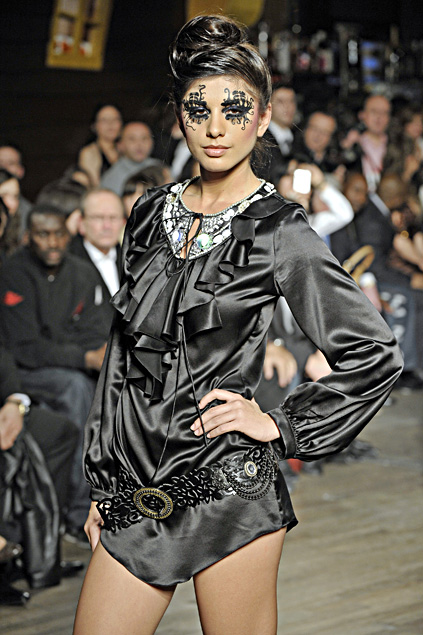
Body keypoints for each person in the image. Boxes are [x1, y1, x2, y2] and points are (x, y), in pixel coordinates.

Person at [74, 16, 403, 634]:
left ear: (263, 115)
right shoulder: (146, 213)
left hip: (229, 485)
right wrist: (102, 481)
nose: (216, 127)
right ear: (179, 116)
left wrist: (280, 424)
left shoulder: (281, 231)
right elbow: (123, 356)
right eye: (198, 109)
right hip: (136, 489)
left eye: (235, 108)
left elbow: (374, 351)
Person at [0, 204, 111, 543]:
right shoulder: (13, 272)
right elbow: (23, 346)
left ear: (69, 233)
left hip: (69, 365)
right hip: (22, 373)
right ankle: (77, 514)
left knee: (112, 383)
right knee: (76, 388)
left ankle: (116, 500)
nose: (52, 242)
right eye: (43, 234)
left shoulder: (82, 272)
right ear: (28, 237)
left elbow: (96, 329)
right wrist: (82, 355)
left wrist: (89, 354)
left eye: (59, 234)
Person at [69, 188, 126, 323]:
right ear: (81, 223)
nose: (107, 226)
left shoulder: (135, 261)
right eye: (98, 218)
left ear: (123, 222)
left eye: (113, 218)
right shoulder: (68, 263)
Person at [100, 122, 163, 195]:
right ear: (120, 145)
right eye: (132, 139)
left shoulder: (161, 168)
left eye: (144, 138)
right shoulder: (111, 178)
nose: (139, 144)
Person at [77, 104, 123, 187]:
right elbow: (94, 186)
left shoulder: (124, 149)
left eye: (115, 119)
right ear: (94, 126)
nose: (110, 124)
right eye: (104, 120)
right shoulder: (89, 152)